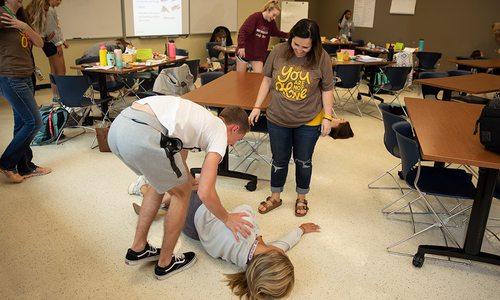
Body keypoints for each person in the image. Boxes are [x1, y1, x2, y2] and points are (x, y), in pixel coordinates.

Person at [107, 95, 254, 280]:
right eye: (237, 139)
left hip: (118, 129)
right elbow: (205, 192)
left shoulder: (198, 118)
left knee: (159, 184)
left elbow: (178, 160)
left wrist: (189, 181)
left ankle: (139, 248)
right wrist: (227, 218)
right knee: (181, 194)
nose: (232, 145)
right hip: (141, 132)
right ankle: (165, 263)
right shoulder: (219, 132)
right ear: (234, 128)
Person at [133, 182, 320, 299]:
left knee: (188, 182)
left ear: (274, 253)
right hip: (192, 231)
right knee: (187, 193)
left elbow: (245, 208)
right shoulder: (251, 260)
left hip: (196, 215)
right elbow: (284, 243)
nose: (284, 253)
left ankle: (144, 190)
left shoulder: (241, 235)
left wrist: (256, 234)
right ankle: (167, 207)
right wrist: (300, 230)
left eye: (284, 257)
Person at [248, 19, 343, 217]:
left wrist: (327, 116)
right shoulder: (278, 51)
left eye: (305, 47)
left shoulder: (321, 57)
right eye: (296, 44)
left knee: (303, 160)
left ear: (314, 44)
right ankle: (275, 196)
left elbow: (327, 89)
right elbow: (267, 80)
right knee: (279, 159)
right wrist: (257, 106)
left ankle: (301, 197)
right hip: (278, 117)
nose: (300, 50)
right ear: (290, 38)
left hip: (308, 119)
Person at [0, 0, 52, 183]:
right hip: (10, 76)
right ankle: (6, 163)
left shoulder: (20, 18)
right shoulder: (2, 14)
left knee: (21, 123)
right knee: (34, 122)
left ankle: (24, 165)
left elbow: (39, 42)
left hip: (26, 75)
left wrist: (23, 26)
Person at [236, 0, 288, 73]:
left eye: (276, 16)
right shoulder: (255, 17)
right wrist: (241, 46)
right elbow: (243, 31)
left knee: (259, 78)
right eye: (274, 15)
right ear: (268, 10)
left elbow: (277, 33)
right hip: (245, 52)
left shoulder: (271, 23)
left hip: (258, 55)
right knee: (240, 77)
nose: (274, 18)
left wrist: (290, 35)